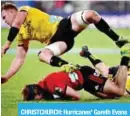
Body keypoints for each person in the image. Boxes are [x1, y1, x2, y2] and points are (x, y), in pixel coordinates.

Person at [1, 2, 129, 84]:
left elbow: (17, 23)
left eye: (4, 16)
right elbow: (19, 59)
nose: (4, 20)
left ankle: (118, 40)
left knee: (91, 15)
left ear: (12, 11)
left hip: (63, 25)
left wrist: (6, 45)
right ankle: (70, 67)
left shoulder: (23, 10)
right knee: (42, 54)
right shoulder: (21, 36)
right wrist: (6, 77)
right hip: (60, 42)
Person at [21, 45, 130, 101]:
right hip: (85, 79)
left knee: (120, 92)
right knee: (110, 96)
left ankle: (125, 56)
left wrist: (63, 98)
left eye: (34, 99)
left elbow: (76, 95)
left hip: (88, 77)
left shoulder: (52, 86)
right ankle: (88, 54)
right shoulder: (47, 83)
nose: (37, 101)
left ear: (37, 93)